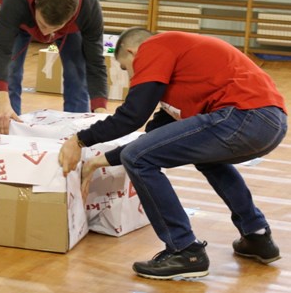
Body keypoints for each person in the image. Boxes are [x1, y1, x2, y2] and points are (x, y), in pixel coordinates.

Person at [59, 27, 287, 280]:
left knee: (138, 158)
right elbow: (149, 142)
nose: (129, 77)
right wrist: (97, 162)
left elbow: (132, 117)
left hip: (243, 117)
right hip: (267, 123)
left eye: (126, 68)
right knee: (205, 159)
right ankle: (256, 236)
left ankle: (184, 250)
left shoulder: (153, 47)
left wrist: (78, 140)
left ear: (133, 52)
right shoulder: (182, 76)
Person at [0, 0, 108, 134]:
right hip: (23, 14)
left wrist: (100, 111)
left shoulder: (88, 7)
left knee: (77, 70)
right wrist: (1, 100)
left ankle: (77, 134)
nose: (46, 35)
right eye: (43, 25)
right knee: (11, 71)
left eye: (55, 28)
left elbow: (95, 61)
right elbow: (0, 48)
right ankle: (9, 129)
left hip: (68, 26)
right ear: (36, 1)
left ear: (72, 15)